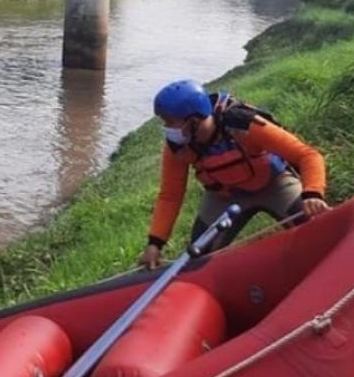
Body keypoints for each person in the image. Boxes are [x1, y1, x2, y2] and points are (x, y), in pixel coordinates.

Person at [137, 80, 329, 271]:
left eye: (170, 122)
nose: (167, 128)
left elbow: (307, 155)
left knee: (318, 228)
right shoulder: (178, 147)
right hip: (224, 196)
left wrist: (312, 192)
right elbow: (171, 195)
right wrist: (155, 242)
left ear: (193, 120)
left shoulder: (244, 124)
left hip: (274, 184)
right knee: (199, 258)